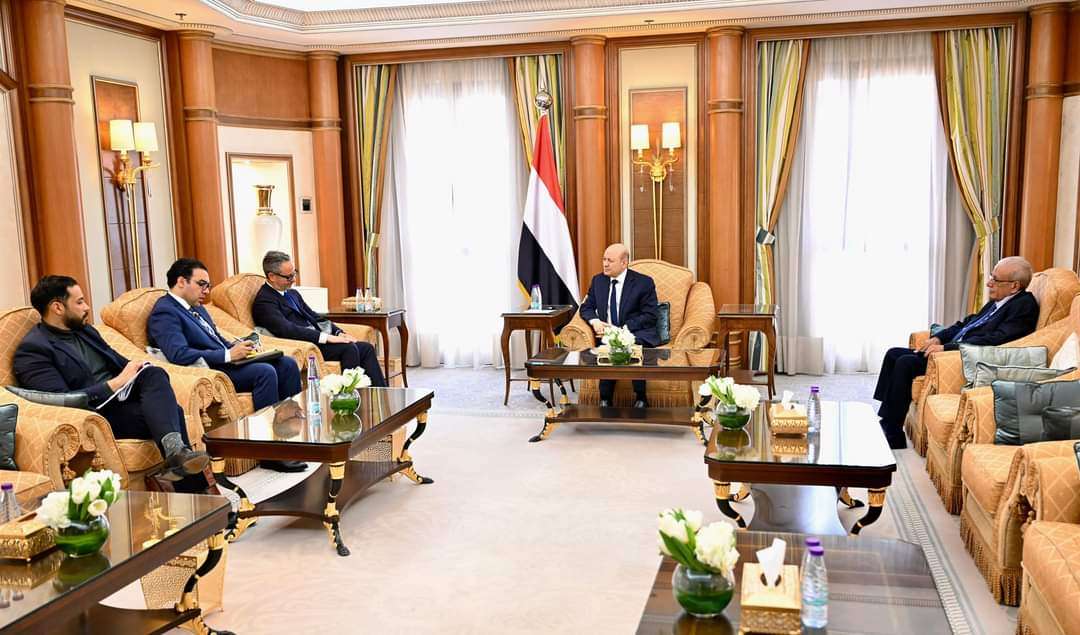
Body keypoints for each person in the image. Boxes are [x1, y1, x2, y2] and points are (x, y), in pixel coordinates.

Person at [14, 276, 208, 480]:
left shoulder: (85, 331)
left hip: (121, 399)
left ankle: (177, 455)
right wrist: (115, 383)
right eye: (79, 302)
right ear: (57, 307)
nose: (87, 307)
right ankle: (194, 483)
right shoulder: (34, 350)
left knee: (153, 374)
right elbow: (61, 400)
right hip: (96, 415)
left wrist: (138, 368)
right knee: (173, 412)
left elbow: (118, 361)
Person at [147, 258, 305, 473]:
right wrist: (228, 355)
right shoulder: (165, 312)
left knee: (286, 363)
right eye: (201, 284)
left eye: (208, 285)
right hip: (210, 370)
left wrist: (240, 348)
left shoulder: (197, 308)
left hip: (228, 362)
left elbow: (217, 339)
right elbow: (178, 353)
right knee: (265, 372)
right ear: (181, 282)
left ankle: (293, 440)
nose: (206, 291)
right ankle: (269, 453)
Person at [874, 256, 1040, 450]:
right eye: (991, 277)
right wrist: (938, 338)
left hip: (965, 358)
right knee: (893, 354)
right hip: (952, 349)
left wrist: (947, 348)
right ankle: (886, 417)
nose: (989, 283)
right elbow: (965, 324)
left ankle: (893, 432)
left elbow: (997, 339)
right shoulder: (998, 302)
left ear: (1014, 286)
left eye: (995, 279)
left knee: (906, 363)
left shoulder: (1024, 306)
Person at [251, 251, 386, 387]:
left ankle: (382, 395)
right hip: (304, 344)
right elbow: (288, 330)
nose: (294, 280)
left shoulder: (292, 293)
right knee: (348, 348)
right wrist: (326, 337)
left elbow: (315, 317)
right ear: (272, 276)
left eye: (294, 273)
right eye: (288, 277)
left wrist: (338, 332)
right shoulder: (264, 301)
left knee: (366, 348)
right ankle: (350, 395)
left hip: (317, 340)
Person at [579, 243, 659, 408]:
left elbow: (650, 315)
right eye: (604, 259)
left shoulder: (643, 283)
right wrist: (594, 321)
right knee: (610, 343)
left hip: (635, 332)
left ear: (624, 263)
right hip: (606, 334)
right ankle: (605, 399)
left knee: (627, 344)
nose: (605, 264)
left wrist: (620, 331)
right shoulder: (598, 281)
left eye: (610, 260)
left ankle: (641, 397)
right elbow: (586, 307)